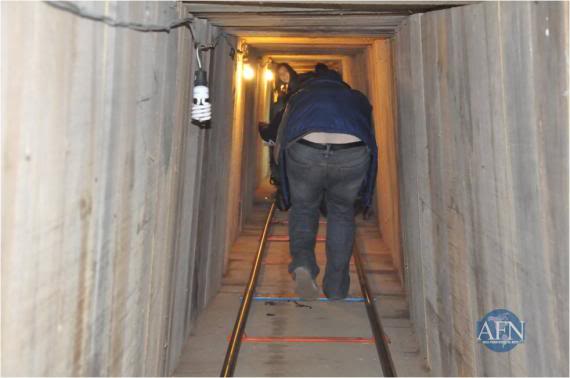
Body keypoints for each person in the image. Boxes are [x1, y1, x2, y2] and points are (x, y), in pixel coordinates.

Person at [275, 63, 377, 300]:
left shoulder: (300, 96)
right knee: (341, 212)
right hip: (352, 151)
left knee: (303, 208)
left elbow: (281, 139)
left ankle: (303, 265)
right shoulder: (356, 98)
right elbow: (370, 136)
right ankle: (336, 287)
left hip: (306, 147)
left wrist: (283, 176)